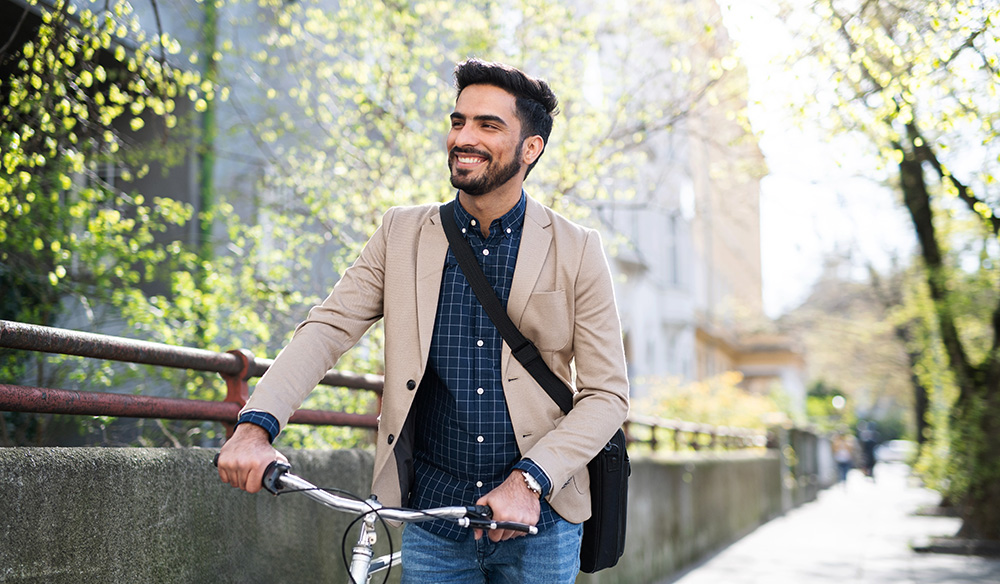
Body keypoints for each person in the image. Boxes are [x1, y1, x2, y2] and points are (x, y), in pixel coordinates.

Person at [216, 58, 630, 583]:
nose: (464, 138)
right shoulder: (400, 234)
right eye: (459, 121)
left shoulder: (577, 249)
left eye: (488, 125)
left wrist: (530, 481)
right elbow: (327, 329)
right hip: (433, 519)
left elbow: (607, 394)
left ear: (531, 148)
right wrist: (254, 426)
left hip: (541, 520)